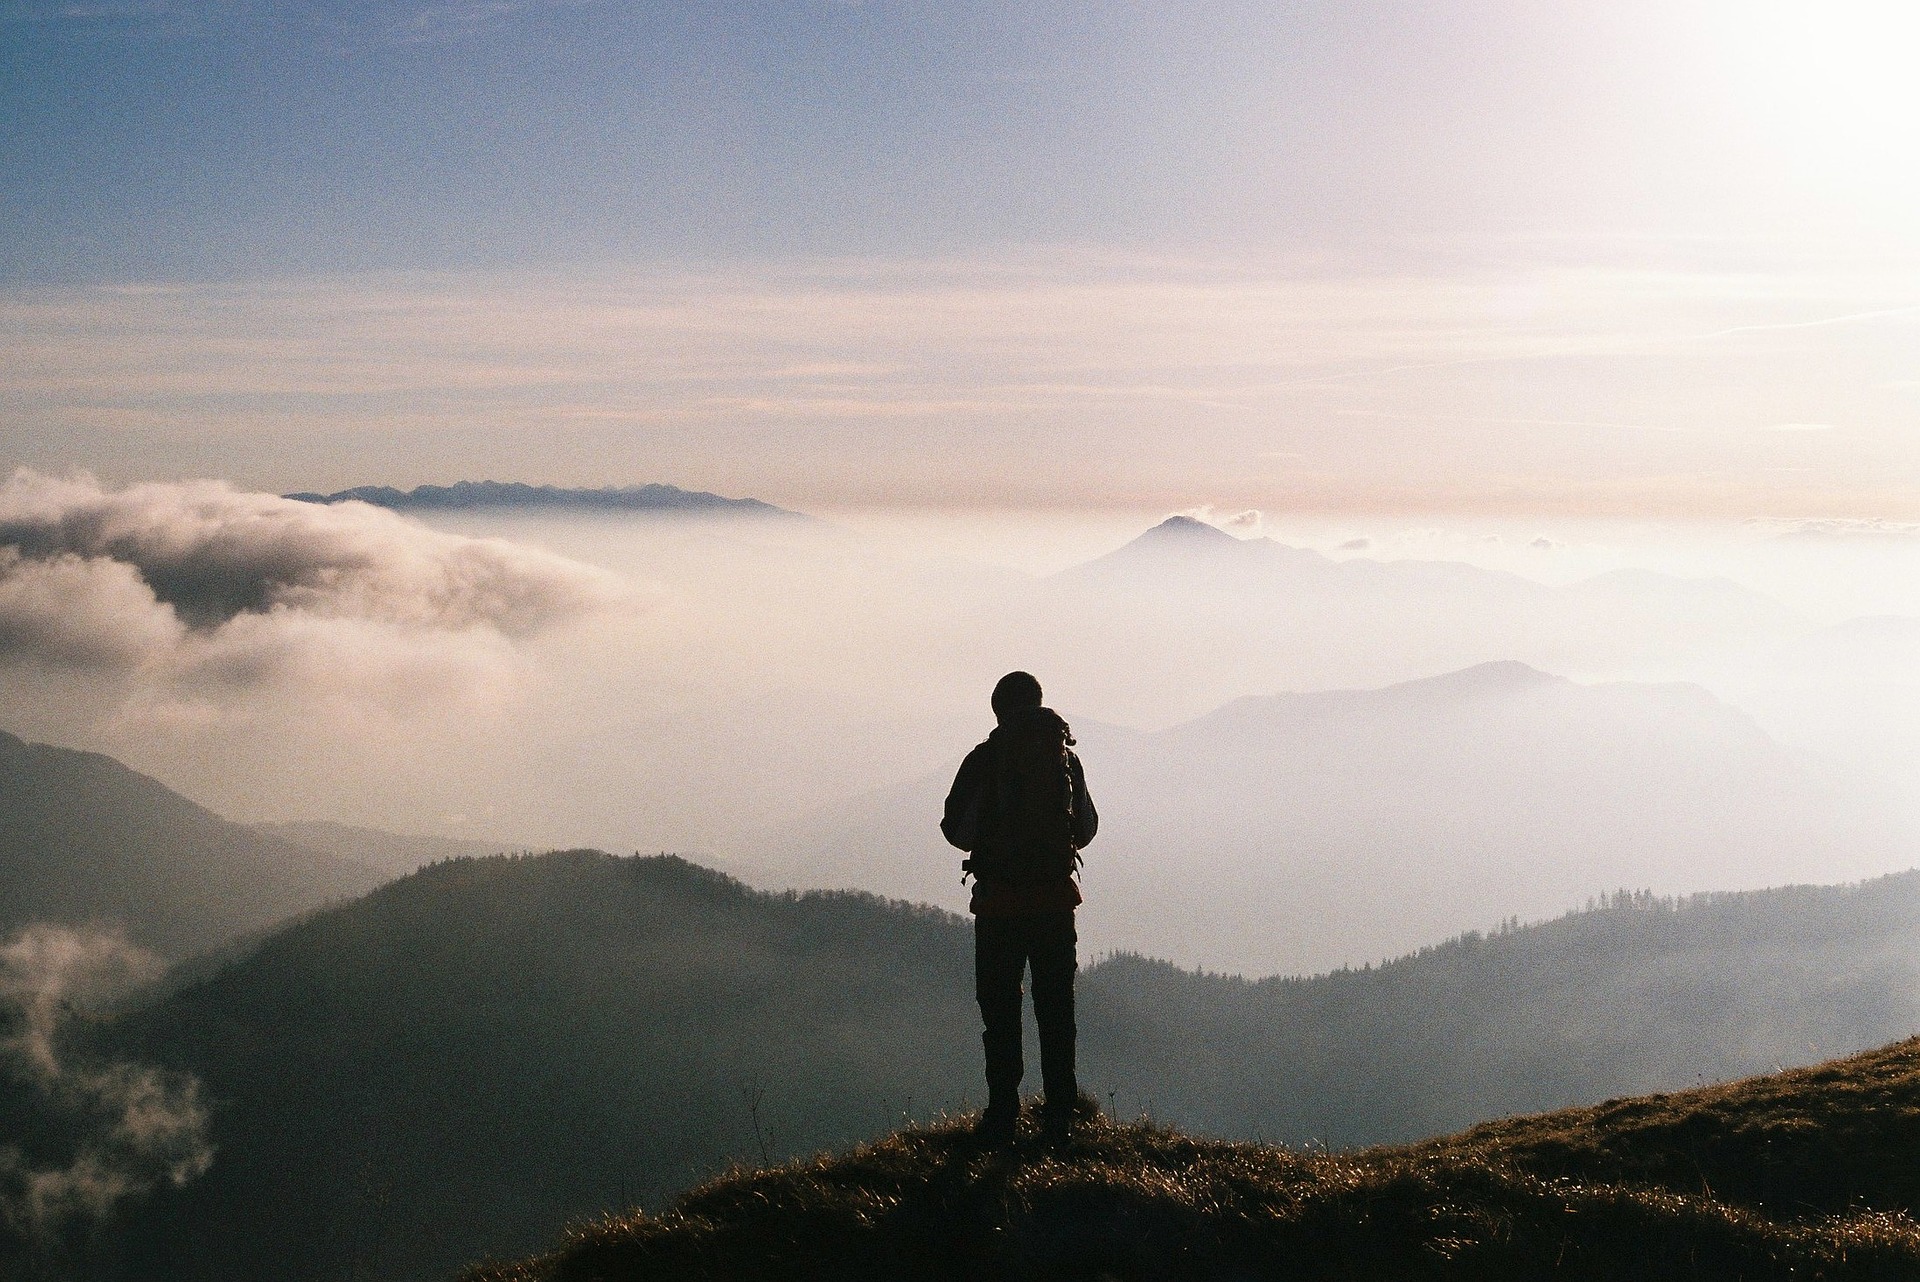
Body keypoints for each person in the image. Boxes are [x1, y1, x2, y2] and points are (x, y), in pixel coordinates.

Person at [940, 670, 1098, 1142]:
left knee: (1001, 1013)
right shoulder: (1065, 760)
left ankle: (1003, 1113)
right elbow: (1086, 828)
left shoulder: (984, 761)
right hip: (1054, 905)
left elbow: (957, 831)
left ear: (998, 711)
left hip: (999, 908)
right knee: (1056, 1010)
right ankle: (1060, 1113)